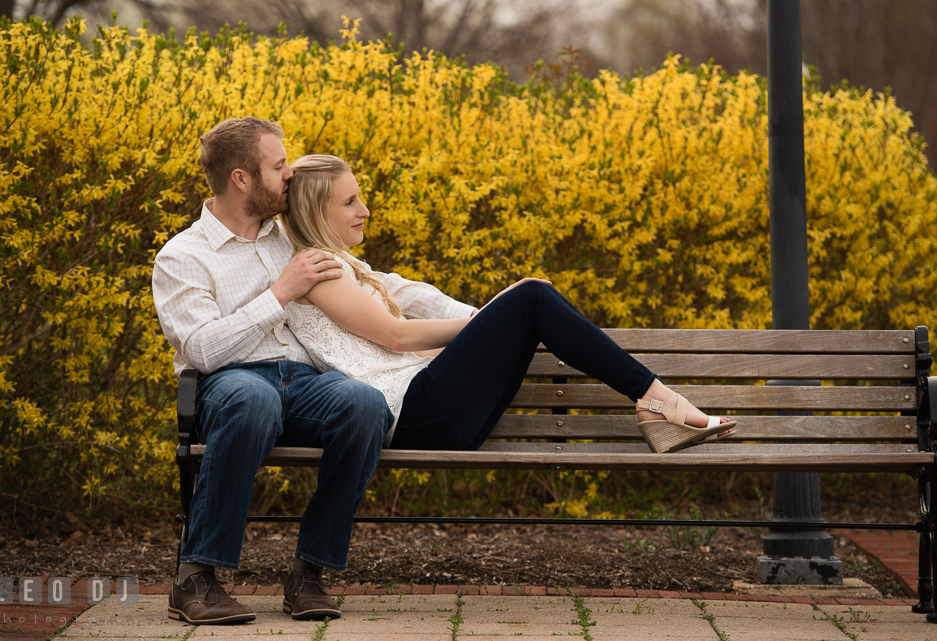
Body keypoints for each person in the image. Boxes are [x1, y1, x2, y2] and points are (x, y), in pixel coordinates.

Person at [152, 119, 477, 625]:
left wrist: (483, 317)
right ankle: (195, 579)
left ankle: (308, 574)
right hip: (231, 384)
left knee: (364, 402)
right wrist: (279, 293)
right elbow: (202, 350)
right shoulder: (183, 256)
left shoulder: (289, 237)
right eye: (278, 166)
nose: (288, 175)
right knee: (252, 399)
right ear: (242, 179)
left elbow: (374, 282)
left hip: (305, 384)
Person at [279, 154, 737, 459]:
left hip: (428, 410)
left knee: (530, 297)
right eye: (351, 201)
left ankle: (657, 401)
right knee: (532, 297)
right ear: (318, 211)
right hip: (413, 415)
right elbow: (398, 337)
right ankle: (657, 401)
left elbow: (416, 299)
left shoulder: (346, 265)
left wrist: (497, 313)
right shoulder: (318, 271)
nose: (366, 210)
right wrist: (499, 317)